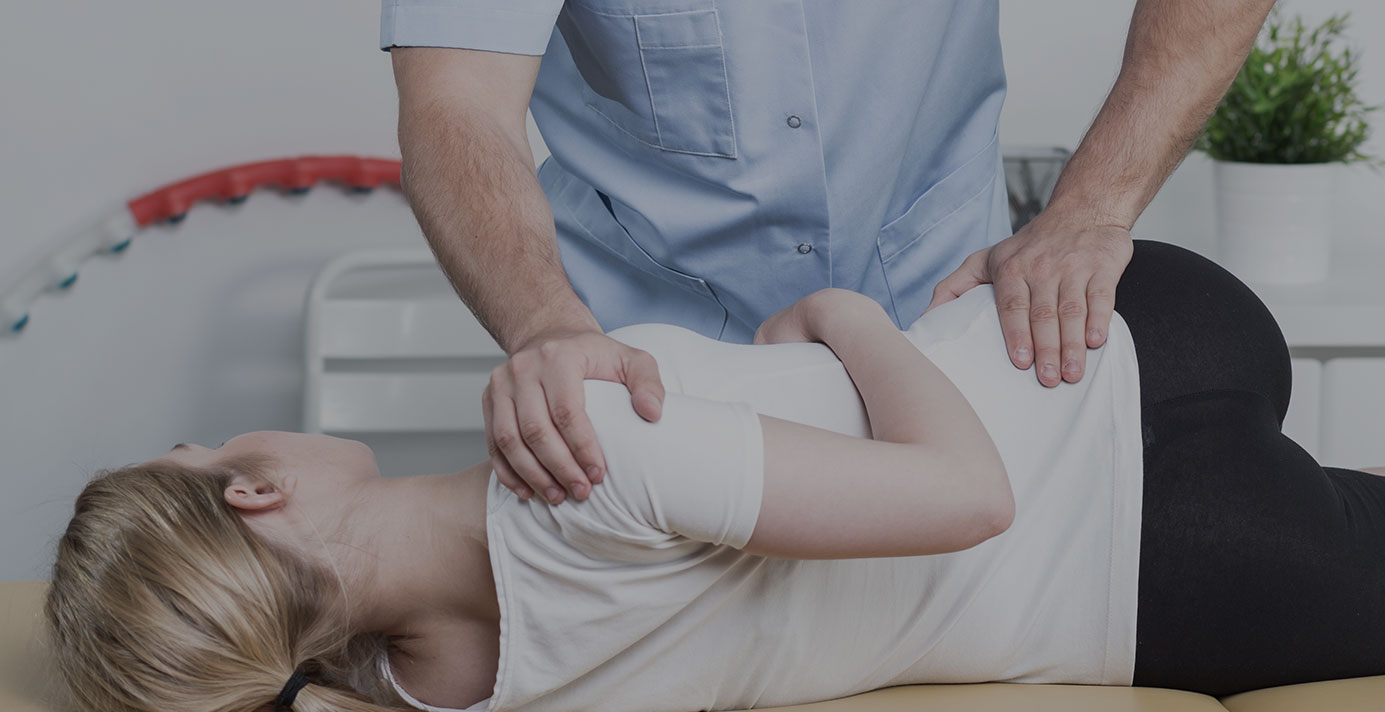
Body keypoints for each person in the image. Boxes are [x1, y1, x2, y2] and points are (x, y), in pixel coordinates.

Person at [45, 242, 1385, 712]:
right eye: (211, 467)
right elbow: (961, 495)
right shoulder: (589, 459)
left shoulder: (406, 683)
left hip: (1174, 490)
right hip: (1147, 460)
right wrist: (855, 314)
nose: (233, 446)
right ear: (263, 511)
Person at [383, 0, 1279, 513]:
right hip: (644, 376)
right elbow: (458, 101)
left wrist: (1091, 206)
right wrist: (545, 322)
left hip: (953, 335)